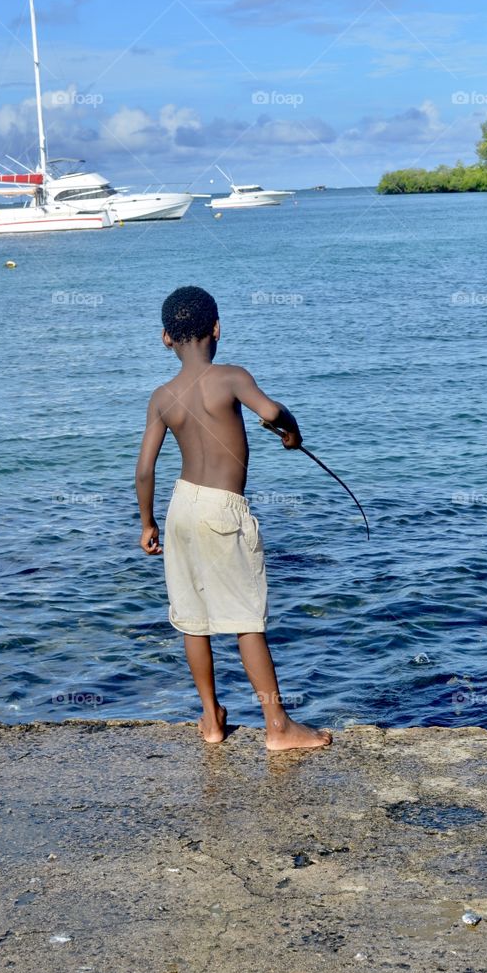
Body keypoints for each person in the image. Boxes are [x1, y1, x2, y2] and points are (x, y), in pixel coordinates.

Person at [135, 285, 332, 751]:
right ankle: (278, 726)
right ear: (217, 329)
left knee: (193, 620)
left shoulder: (162, 396)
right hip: (222, 507)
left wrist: (147, 524)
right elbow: (270, 411)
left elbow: (144, 469)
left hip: (180, 507)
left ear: (166, 338)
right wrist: (291, 431)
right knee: (247, 619)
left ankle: (211, 719)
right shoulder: (230, 377)